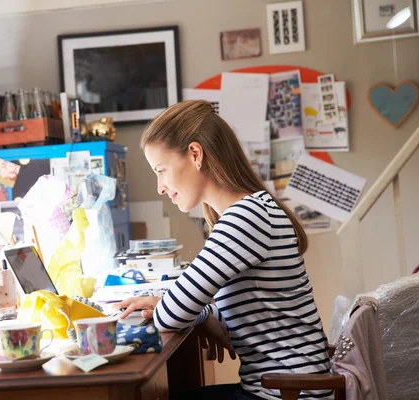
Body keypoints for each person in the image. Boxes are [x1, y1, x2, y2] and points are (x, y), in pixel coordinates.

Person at [114, 100, 330, 400]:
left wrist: (169, 306)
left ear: (195, 154)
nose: (160, 187)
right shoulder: (254, 210)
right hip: (286, 390)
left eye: (161, 170)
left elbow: (170, 315)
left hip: (288, 394)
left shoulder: (245, 218)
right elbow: (250, 309)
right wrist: (202, 316)